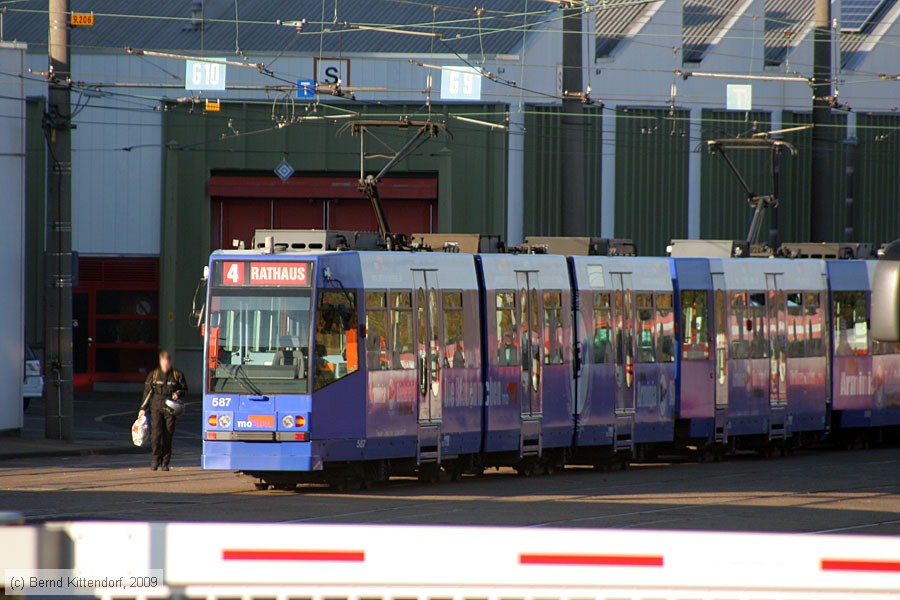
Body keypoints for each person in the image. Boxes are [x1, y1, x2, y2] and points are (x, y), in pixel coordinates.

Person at [139, 350, 188, 471]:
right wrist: (142, 409)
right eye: (164, 363)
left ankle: (165, 462)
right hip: (156, 406)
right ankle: (155, 459)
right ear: (160, 362)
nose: (166, 365)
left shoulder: (177, 374)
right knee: (156, 435)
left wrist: (178, 393)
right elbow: (147, 392)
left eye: (168, 363)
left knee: (168, 435)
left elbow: (185, 389)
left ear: (170, 362)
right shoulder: (154, 375)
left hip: (170, 407)